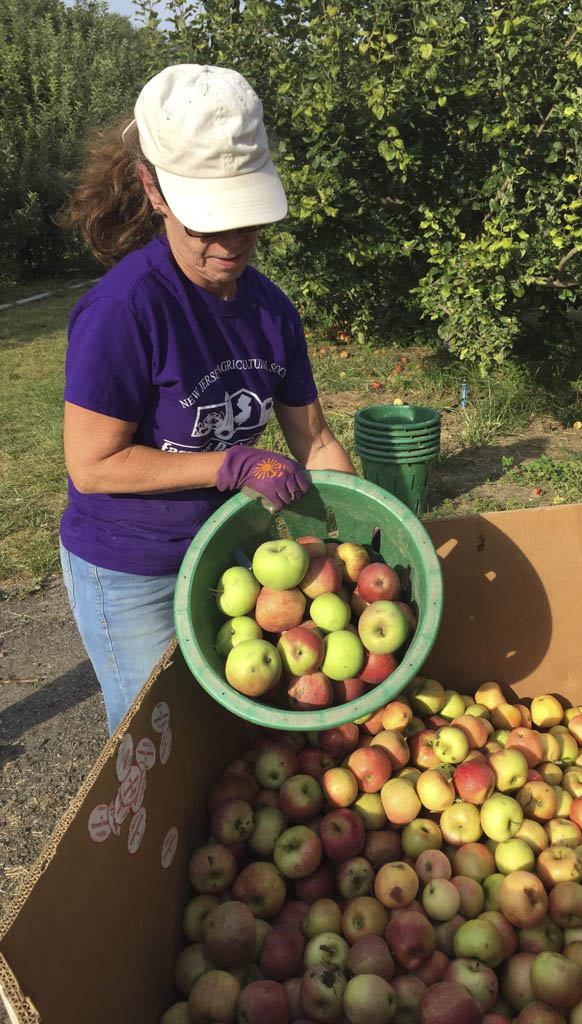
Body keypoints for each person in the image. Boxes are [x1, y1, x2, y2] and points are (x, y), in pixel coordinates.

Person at [58, 64, 355, 734]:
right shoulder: (124, 311)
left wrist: (357, 535)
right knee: (155, 740)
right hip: (131, 566)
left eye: (244, 221)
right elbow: (94, 465)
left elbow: (316, 439)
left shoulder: (271, 311)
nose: (228, 244)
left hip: (227, 553)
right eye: (206, 224)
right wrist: (227, 465)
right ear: (152, 188)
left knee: (226, 732)